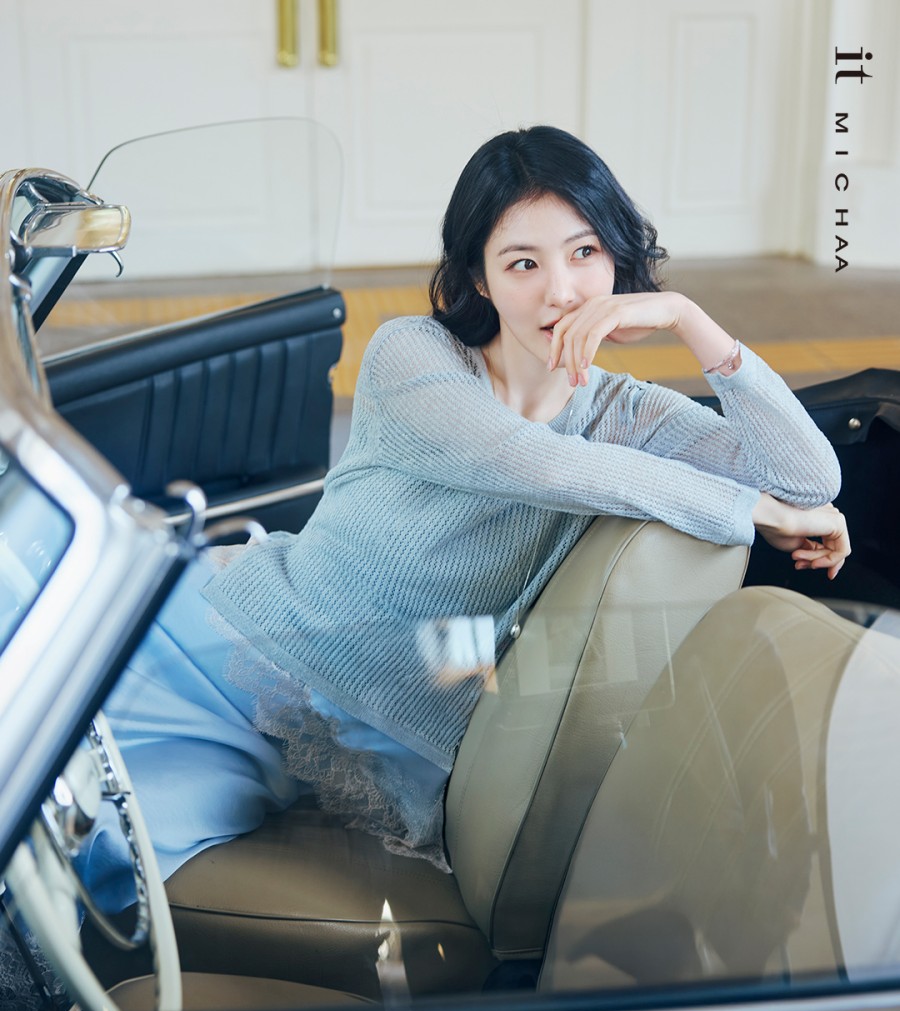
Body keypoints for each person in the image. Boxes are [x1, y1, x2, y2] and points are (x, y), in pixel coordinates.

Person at [79, 125, 848, 913]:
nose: (562, 292)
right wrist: (745, 508)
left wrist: (690, 319)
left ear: (618, 257)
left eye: (585, 252)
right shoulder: (412, 355)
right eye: (523, 263)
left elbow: (811, 477)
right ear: (479, 279)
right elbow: (532, 462)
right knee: (80, 841)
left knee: (122, 875)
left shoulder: (629, 413)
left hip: (385, 725)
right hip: (238, 656)